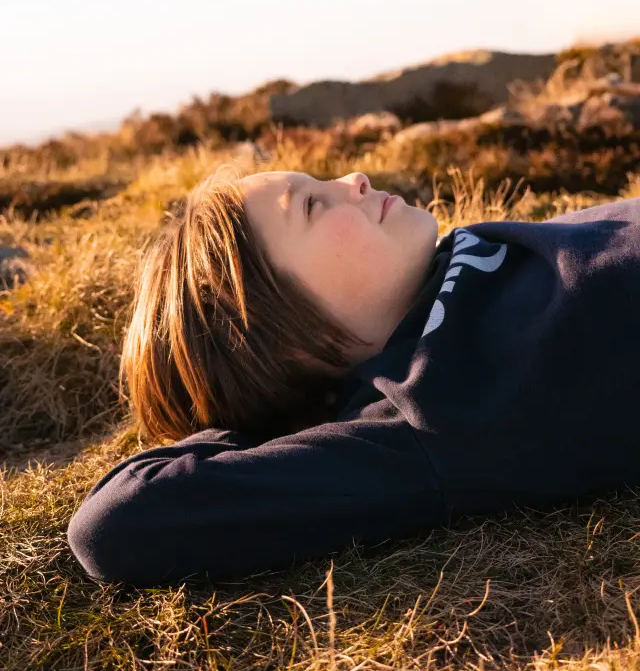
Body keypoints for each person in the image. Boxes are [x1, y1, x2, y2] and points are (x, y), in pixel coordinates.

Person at [67, 169, 640, 587]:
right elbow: (117, 523)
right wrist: (268, 415)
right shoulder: (420, 412)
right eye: (312, 205)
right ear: (276, 337)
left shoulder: (440, 264)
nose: (355, 177)